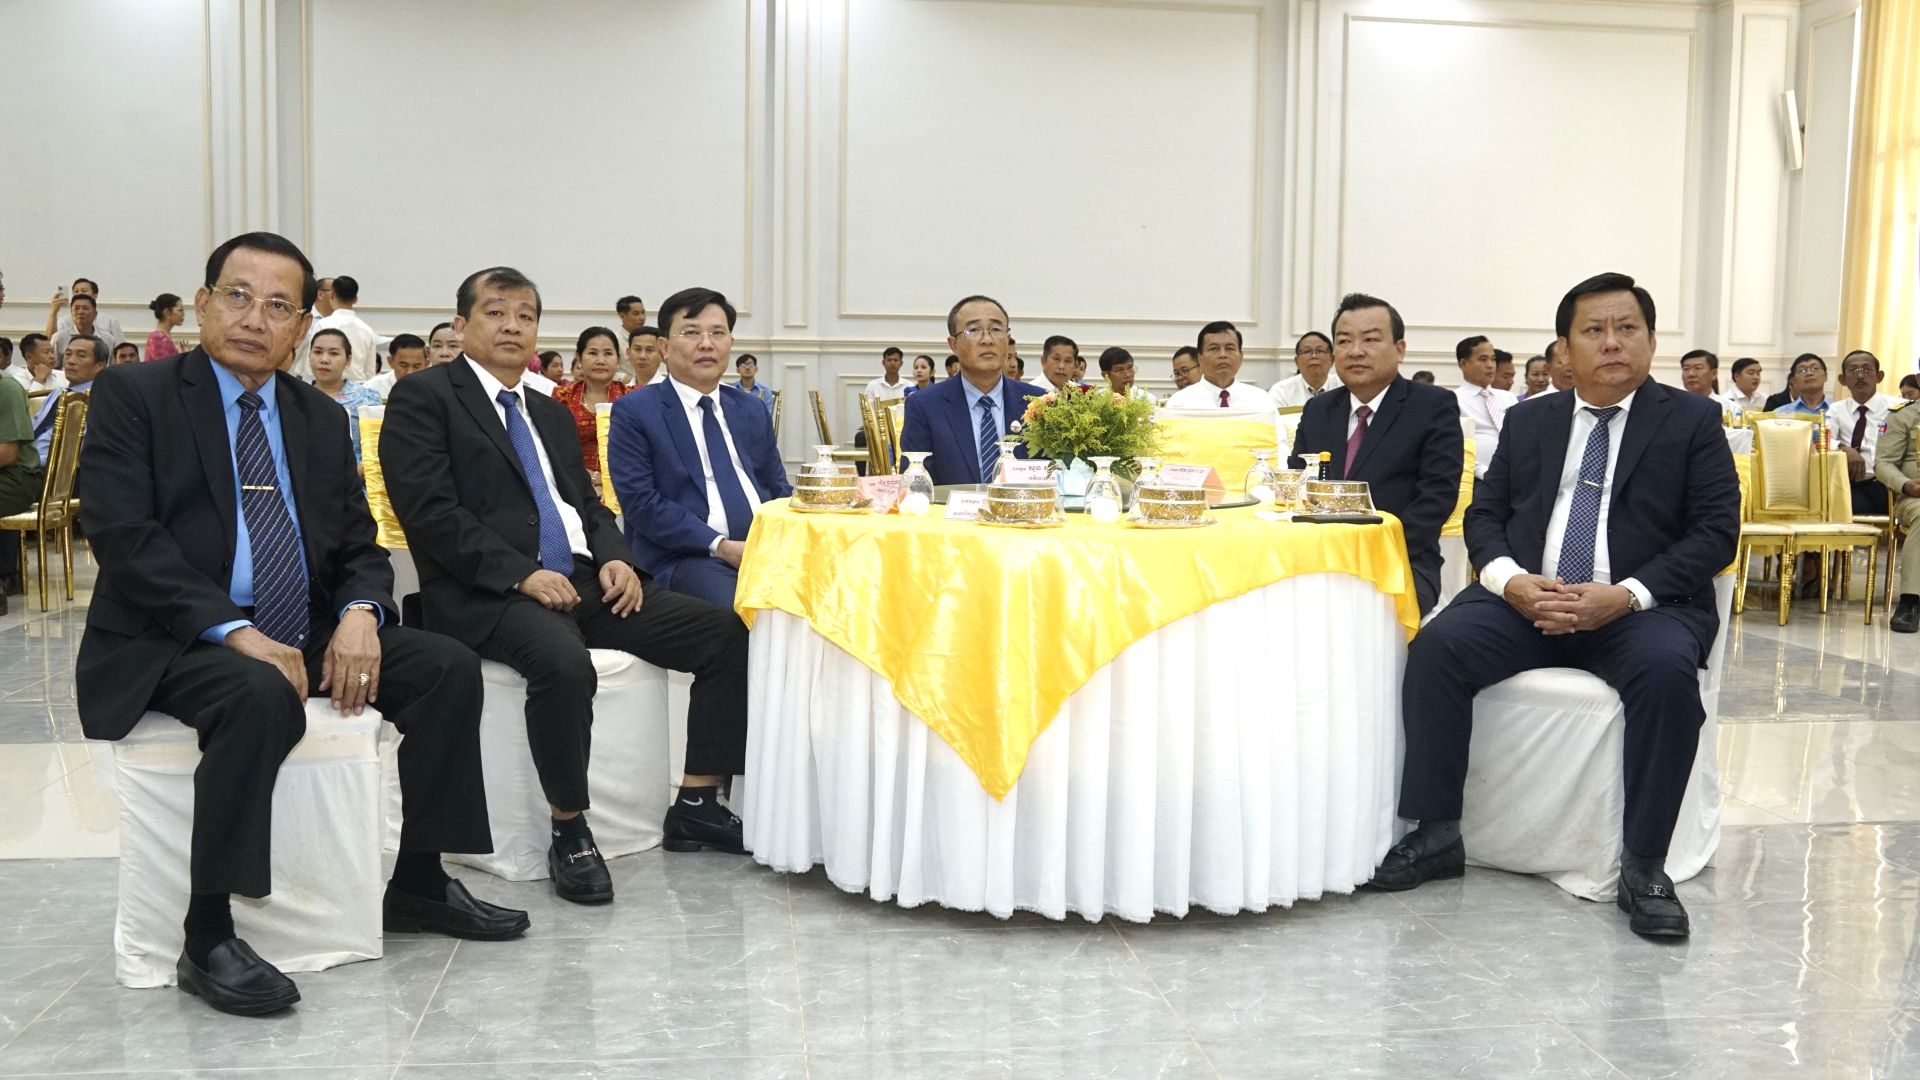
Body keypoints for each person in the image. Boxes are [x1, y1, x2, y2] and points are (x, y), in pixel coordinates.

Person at [76, 232, 524, 1017]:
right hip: (175, 632)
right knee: (257, 694)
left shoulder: (317, 416)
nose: (255, 318)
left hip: (303, 623)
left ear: (302, 325)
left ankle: (418, 880)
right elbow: (124, 537)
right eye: (237, 296)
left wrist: (359, 615)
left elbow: (358, 543)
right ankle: (208, 933)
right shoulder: (136, 394)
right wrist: (232, 630)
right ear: (203, 303)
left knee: (445, 668)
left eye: (278, 305)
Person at [1368, 272, 1739, 941]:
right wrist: (1511, 581)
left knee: (1666, 677)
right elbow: (1485, 515)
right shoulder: (1530, 419)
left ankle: (1644, 866)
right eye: (1594, 330)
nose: (1612, 342)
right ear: (1565, 348)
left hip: (1640, 606)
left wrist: (1625, 595)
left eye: (1627, 328)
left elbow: (1715, 531)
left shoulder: (1691, 420)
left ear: (1652, 340)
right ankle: (1437, 831)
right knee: (1437, 650)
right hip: (1529, 598)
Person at [382, 266, 753, 904]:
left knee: (723, 633)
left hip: (581, 579)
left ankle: (696, 802)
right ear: (462, 325)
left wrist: (616, 559)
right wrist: (522, 574)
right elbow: (431, 514)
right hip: (487, 589)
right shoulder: (425, 398)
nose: (512, 326)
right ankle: (570, 829)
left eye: (525, 316)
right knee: (563, 662)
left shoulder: (549, 411)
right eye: (496, 313)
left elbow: (589, 504)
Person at [607, 287, 791, 611]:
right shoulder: (636, 411)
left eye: (717, 333)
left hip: (764, 549)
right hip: (688, 557)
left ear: (730, 343)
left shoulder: (750, 409)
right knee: (750, 610)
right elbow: (641, 503)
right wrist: (720, 546)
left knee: (841, 598)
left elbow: (777, 488)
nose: (706, 344)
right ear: (664, 347)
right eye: (691, 332)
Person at [1292, 294, 1464, 615]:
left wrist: (1368, 550)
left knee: (1351, 611)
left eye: (1370, 339)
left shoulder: (1432, 406)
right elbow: (1296, 487)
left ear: (1400, 349)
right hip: (1315, 559)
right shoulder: (1318, 410)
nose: (1355, 351)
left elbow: (1436, 497)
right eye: (1344, 341)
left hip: (1400, 561)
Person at [899, 295, 1046, 487]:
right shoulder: (924, 406)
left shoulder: (1038, 402)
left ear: (1007, 339)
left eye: (996, 330)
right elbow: (915, 486)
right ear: (953, 344)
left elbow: (1055, 477)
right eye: (974, 330)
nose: (987, 340)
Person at [551, 326, 631, 491]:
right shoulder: (562, 397)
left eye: (608, 353)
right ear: (579, 358)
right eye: (593, 353)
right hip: (574, 485)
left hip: (624, 486)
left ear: (618, 359)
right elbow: (553, 448)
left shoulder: (632, 397)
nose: (600, 360)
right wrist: (589, 478)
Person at [1829, 350, 1899, 514]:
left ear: (1879, 376)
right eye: (1853, 370)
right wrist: (1843, 448)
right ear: (1843, 380)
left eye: (1866, 369)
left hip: (1891, 483)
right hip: (1852, 484)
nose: (1860, 376)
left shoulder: (1898, 407)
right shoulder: (1836, 409)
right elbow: (1821, 439)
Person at [1165, 322, 1281, 420]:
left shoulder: (1261, 400)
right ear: (1200, 358)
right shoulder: (1179, 403)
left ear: (1241, 357)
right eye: (1214, 349)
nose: (1222, 355)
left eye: (1229, 348)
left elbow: (1278, 439)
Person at [307, 328, 385, 463]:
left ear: (348, 360)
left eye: (334, 353)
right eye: (318, 352)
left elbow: (376, 451)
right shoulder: (294, 395)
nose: (324, 360)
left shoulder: (366, 399)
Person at [1875, 397, 1920, 632]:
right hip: (1915, 497)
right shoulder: (1902, 415)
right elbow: (1883, 463)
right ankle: (1910, 602)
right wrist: (1905, 485)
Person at [32, 335, 107, 464]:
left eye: (81, 356)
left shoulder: (99, 400)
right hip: (26, 459)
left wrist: (29, 461)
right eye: (68, 354)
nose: (71, 361)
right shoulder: (58, 393)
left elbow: (75, 451)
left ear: (99, 365)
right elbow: (33, 427)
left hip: (51, 467)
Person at [1453, 335, 1517, 479]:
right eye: (1483, 359)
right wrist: (1484, 473)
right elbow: (1456, 447)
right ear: (1463, 364)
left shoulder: (1509, 398)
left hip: (1514, 476)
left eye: (1493, 359)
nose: (1490, 365)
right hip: (1476, 479)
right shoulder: (1454, 400)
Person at [300, 275, 379, 382]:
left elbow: (310, 365)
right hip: (358, 387)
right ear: (355, 299)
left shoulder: (323, 325)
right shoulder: (367, 330)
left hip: (325, 386)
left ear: (332, 295)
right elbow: (370, 373)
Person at [45, 277, 127, 346]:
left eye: (84, 291)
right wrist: (53, 312)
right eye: (76, 292)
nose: (80, 294)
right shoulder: (64, 321)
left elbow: (121, 347)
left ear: (95, 295)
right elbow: (49, 343)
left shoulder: (110, 321)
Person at [53, 293, 127, 361]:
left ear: (95, 314)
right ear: (71, 313)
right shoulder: (59, 338)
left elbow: (112, 367)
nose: (80, 312)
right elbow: (53, 366)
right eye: (76, 308)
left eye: (85, 308)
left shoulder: (108, 339)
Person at [1269, 332, 1335, 406]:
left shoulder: (1343, 386)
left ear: (1332, 360)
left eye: (1320, 351)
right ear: (1297, 361)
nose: (1314, 356)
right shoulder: (1281, 391)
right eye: (1307, 351)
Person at [362, 333, 429, 401]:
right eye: (403, 365)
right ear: (390, 361)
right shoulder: (372, 388)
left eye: (416, 366)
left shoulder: (432, 388)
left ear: (426, 364)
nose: (409, 372)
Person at [1678, 349, 1737, 416]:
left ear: (1714, 374)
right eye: (1686, 369)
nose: (1691, 374)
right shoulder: (1672, 405)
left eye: (1698, 368)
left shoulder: (1731, 408)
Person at [1775, 354, 1831, 418]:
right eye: (1802, 370)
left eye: (1815, 368)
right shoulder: (1780, 414)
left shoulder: (1837, 411)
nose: (1809, 373)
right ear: (1794, 381)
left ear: (1825, 376)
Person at [148, 293, 184, 361]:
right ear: (167, 312)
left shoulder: (162, 336)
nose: (183, 314)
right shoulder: (158, 337)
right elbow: (164, 365)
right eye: (180, 310)